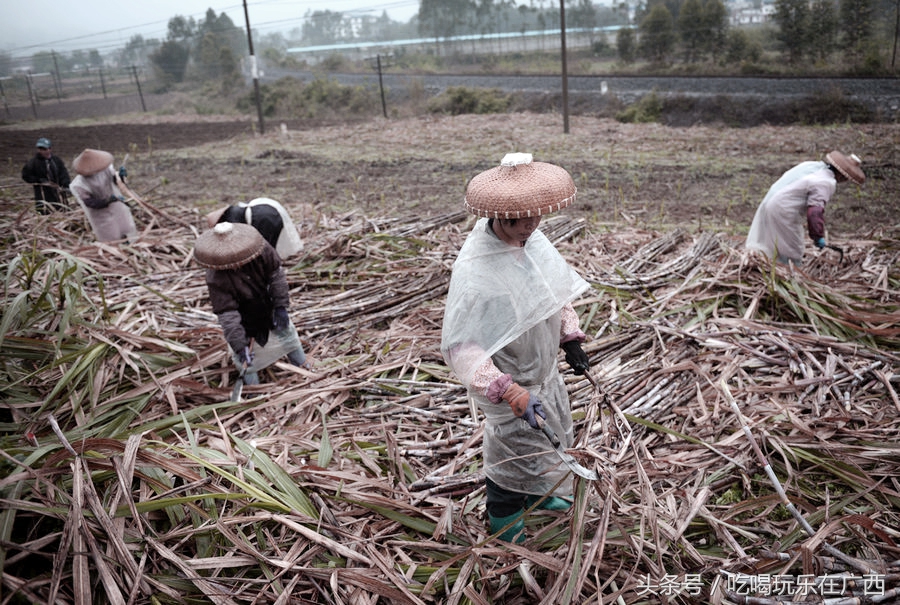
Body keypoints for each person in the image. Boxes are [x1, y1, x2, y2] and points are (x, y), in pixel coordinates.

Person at [440, 153, 592, 543]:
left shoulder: (531, 241)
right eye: (523, 220)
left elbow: (552, 293)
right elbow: (463, 346)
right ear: (501, 217)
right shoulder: (476, 270)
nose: (532, 225)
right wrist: (508, 389)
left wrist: (568, 336)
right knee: (511, 458)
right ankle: (503, 518)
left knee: (549, 441)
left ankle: (540, 496)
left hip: (544, 373)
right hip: (515, 380)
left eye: (536, 217)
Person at [193, 221, 309, 386]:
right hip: (243, 316)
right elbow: (227, 313)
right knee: (247, 361)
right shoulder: (216, 276)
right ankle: (255, 393)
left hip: (267, 303)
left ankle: (304, 369)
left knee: (287, 336)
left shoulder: (260, 248)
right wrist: (239, 346)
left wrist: (281, 306)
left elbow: (276, 275)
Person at [745, 150, 865, 265]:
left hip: (770, 200)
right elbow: (815, 212)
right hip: (783, 210)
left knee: (773, 242)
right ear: (843, 176)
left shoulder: (811, 166)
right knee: (792, 248)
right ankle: (791, 278)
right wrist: (818, 236)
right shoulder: (826, 182)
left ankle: (769, 268)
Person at [69, 149, 138, 243]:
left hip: (117, 206)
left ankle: (130, 244)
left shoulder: (106, 169)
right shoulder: (79, 184)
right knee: (110, 235)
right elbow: (89, 202)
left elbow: (115, 180)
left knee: (125, 227)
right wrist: (107, 201)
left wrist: (121, 176)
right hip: (100, 214)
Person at [205, 198, 303, 260]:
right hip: (267, 208)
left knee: (265, 246)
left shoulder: (230, 221)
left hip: (263, 217)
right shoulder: (232, 210)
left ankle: (271, 261)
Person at [21, 137, 71, 214]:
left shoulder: (56, 160)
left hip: (59, 194)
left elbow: (63, 173)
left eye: (47, 149)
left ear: (50, 149)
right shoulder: (33, 163)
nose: (46, 151)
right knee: (46, 212)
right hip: (43, 195)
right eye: (42, 149)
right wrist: (39, 180)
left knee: (63, 210)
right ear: (38, 150)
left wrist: (65, 184)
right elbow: (26, 176)